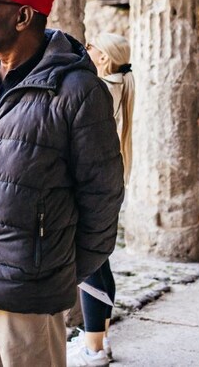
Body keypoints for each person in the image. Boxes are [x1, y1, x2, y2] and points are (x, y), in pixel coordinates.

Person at [0, 0, 125, 367]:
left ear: (23, 16)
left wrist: (52, 268)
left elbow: (102, 194)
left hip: (27, 290)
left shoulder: (78, 90)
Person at [66, 33, 134, 367]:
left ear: (103, 58)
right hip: (108, 185)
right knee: (100, 263)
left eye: (90, 48)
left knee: (88, 267)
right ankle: (99, 339)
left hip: (91, 188)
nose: (85, 52)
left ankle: (94, 351)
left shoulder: (99, 91)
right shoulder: (117, 85)